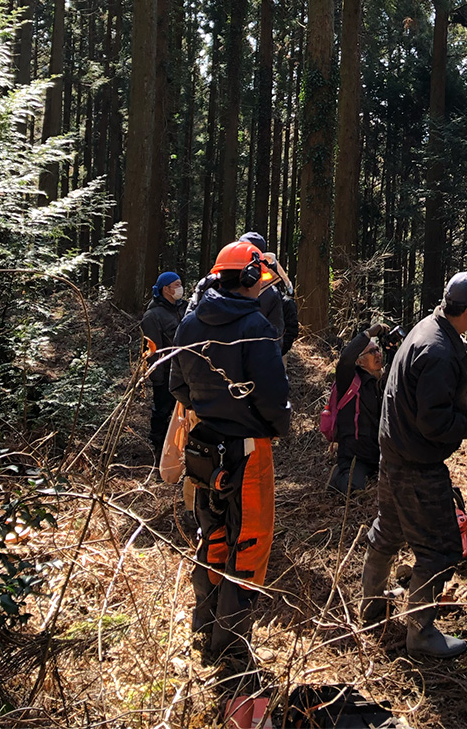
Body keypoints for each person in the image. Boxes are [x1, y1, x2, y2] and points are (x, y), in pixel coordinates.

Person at [360, 271, 467, 659]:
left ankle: (370, 607)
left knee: (388, 529)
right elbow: (433, 419)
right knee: (440, 548)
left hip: (394, 451)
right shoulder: (437, 349)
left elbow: (433, 387)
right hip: (416, 462)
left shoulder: (430, 327)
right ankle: (420, 633)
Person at [169, 239, 291, 681]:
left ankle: (205, 623)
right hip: (248, 449)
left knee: (212, 530)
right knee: (251, 541)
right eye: (257, 276)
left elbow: (176, 386)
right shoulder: (256, 326)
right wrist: (269, 425)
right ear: (244, 278)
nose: (262, 284)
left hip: (203, 444)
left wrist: (209, 408)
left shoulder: (189, 324)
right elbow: (276, 397)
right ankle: (232, 650)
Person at [327, 323, 389, 494]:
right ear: (359, 360)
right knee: (353, 489)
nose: (377, 354)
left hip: (379, 453)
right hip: (354, 456)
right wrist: (369, 333)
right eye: (371, 351)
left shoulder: (383, 382)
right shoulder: (349, 380)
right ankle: (339, 474)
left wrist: (391, 348)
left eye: (378, 350)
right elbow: (346, 358)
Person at [141, 271, 185, 460]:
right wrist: (157, 378)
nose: (180, 288)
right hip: (166, 374)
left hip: (186, 372)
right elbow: (152, 350)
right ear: (165, 289)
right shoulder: (153, 316)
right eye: (176, 285)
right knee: (162, 412)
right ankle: (157, 452)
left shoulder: (185, 308)